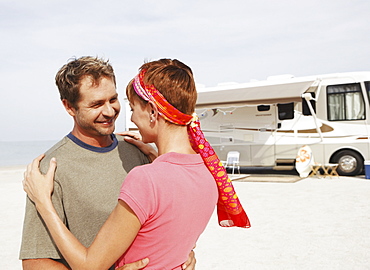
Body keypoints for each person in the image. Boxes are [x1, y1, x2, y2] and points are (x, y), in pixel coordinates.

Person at [23, 58, 250, 269]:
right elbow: (34, 264)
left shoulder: (138, 154)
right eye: (96, 104)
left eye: (113, 100)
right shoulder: (50, 170)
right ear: (69, 107)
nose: (110, 111)